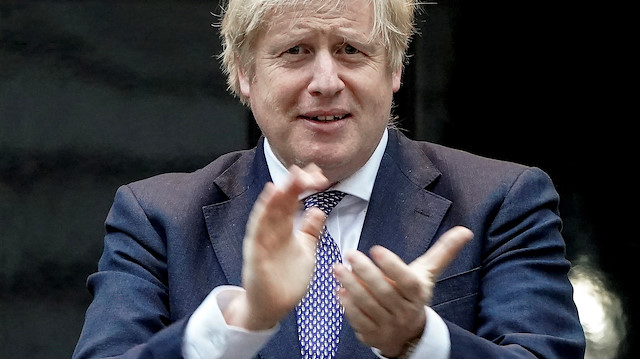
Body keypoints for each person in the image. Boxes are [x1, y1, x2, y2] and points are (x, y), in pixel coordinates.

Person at [73, 0, 586, 358]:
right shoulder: (156, 217)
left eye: (351, 50)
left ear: (394, 69)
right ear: (244, 72)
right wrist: (244, 319)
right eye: (295, 50)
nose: (325, 83)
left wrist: (418, 341)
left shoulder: (502, 202)